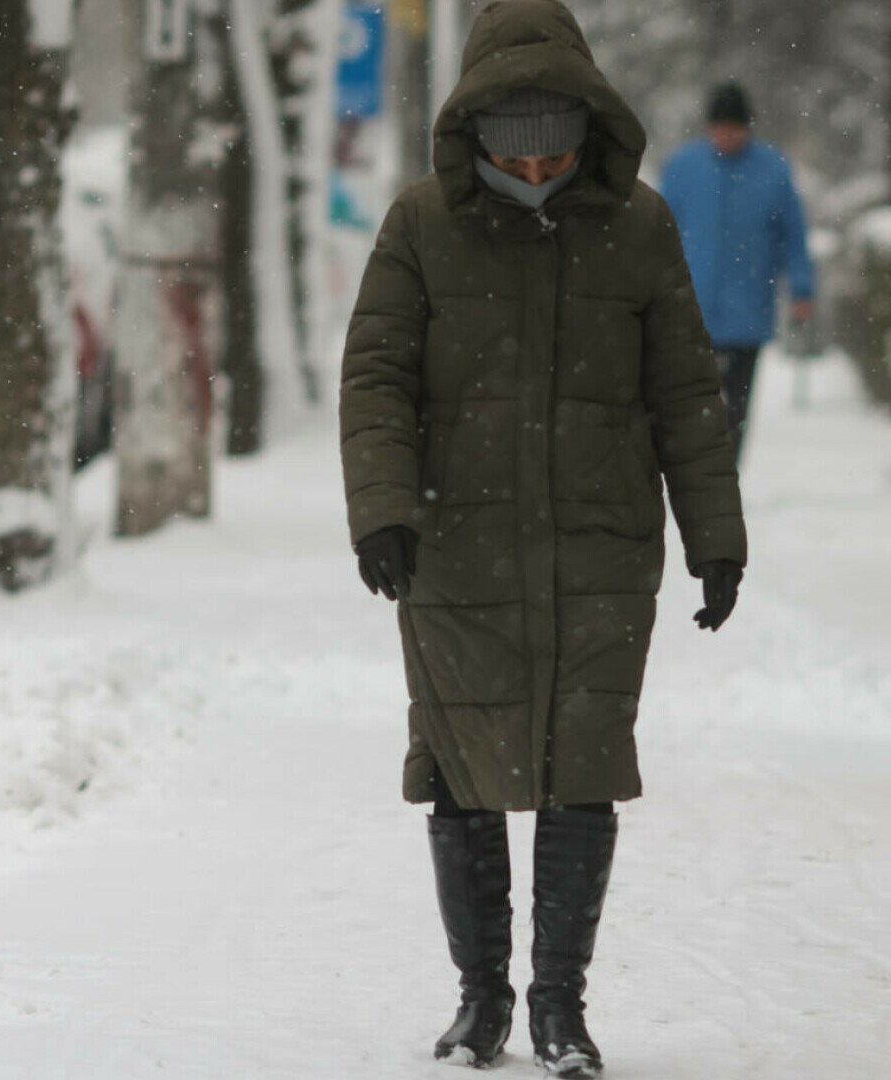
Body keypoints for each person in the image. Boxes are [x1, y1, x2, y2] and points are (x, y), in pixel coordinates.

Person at [338, 2, 747, 1077]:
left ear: (589, 123)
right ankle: (482, 1004)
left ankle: (561, 1006)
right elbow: (375, 375)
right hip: (452, 545)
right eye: (515, 148)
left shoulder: (641, 228)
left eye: (557, 144)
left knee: (585, 769)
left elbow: (686, 394)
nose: (538, 167)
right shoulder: (420, 225)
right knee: (462, 772)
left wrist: (717, 537)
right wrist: (381, 507)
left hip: (601, 549)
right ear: (476, 135)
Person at [658, 81, 817, 465]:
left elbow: (792, 235)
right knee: (692, 402)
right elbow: (658, 232)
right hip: (690, 310)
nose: (727, 136)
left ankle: (727, 474)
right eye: (721, 128)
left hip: (748, 309)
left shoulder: (772, 169)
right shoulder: (682, 167)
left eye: (735, 128)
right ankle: (695, 471)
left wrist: (802, 287)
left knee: (736, 406)